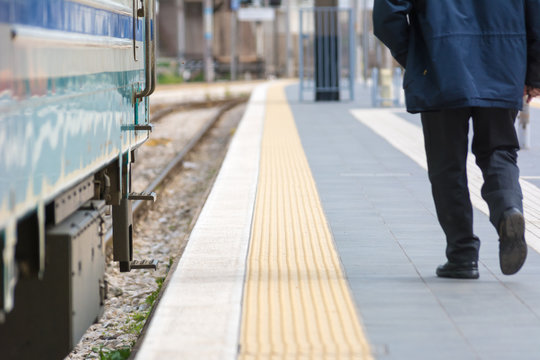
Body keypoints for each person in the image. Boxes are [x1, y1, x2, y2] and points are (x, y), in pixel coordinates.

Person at [373, 0, 540, 279]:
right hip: (503, 64)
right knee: (499, 151)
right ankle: (508, 209)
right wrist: (533, 72)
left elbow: (386, 16)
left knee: (446, 165)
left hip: (440, 66)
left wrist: (415, 57)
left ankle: (462, 255)